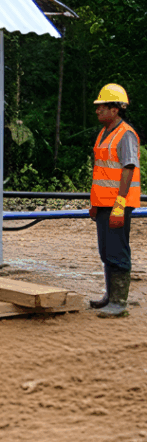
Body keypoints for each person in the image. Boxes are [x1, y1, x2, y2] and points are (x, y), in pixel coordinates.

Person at [88, 84, 140, 318]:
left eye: (102, 107)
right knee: (106, 251)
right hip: (104, 205)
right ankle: (110, 296)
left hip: (117, 205)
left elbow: (128, 168)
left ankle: (119, 303)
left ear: (115, 109)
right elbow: (102, 172)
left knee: (118, 251)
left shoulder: (125, 134)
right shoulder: (105, 132)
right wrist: (96, 204)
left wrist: (120, 204)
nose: (98, 111)